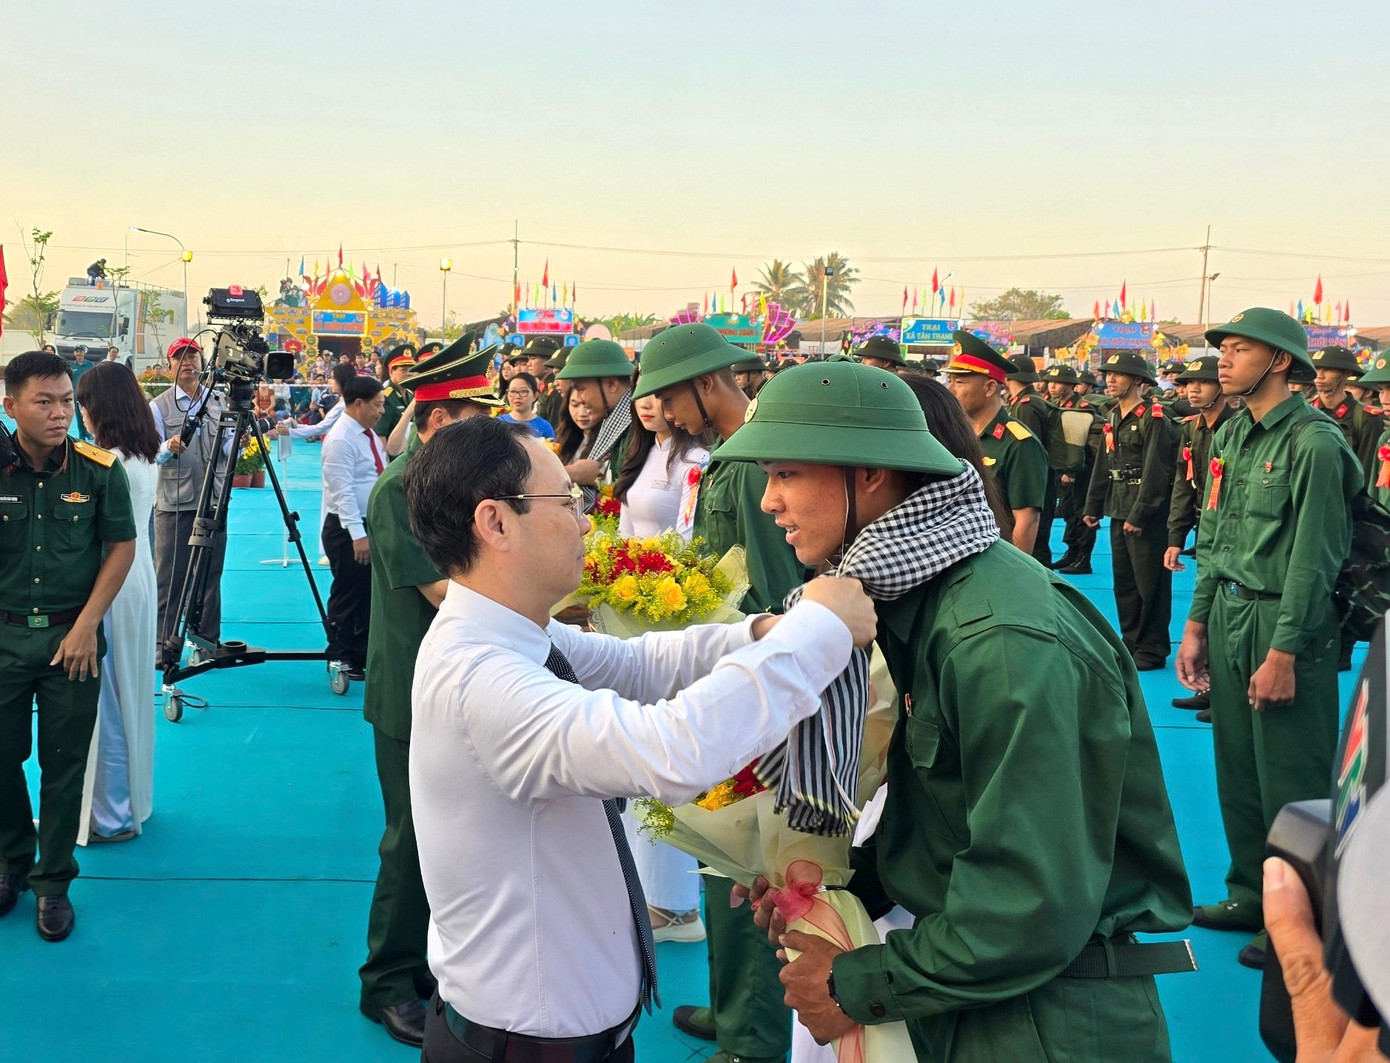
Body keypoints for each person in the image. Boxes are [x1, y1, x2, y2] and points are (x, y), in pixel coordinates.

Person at [716, 358, 1194, 1063]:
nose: (768, 502)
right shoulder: (929, 596)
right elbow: (948, 816)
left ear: (870, 474)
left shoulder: (998, 639)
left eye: (786, 473)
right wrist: (833, 887)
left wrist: (853, 980)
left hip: (1042, 1018)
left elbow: (1026, 904)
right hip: (979, 992)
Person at [403, 416, 875, 1063]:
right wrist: (820, 628)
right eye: (567, 501)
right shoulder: (483, 681)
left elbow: (642, 664)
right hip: (524, 1046)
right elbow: (672, 750)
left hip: (555, 1033)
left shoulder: (508, 634)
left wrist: (764, 630)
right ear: (496, 522)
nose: (584, 521)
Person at [633, 322, 810, 1063]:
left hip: (751, 690)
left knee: (746, 863)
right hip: (725, 675)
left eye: (671, 400)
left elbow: (772, 593)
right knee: (719, 856)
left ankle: (754, 1036)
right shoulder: (732, 456)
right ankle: (735, 1003)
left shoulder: (749, 462)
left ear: (708, 384)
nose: (668, 418)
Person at [1177, 308, 1362, 971]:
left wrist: (1283, 652)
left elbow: (1317, 558)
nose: (1223, 360)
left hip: (1286, 622)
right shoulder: (1232, 436)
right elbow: (1216, 533)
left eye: (1239, 348)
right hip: (1229, 612)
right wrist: (1196, 622)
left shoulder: (1314, 443)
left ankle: (1301, 916)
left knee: (1289, 773)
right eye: (1222, 348)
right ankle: (1251, 892)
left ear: (1280, 361)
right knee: (1238, 769)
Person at [359, 346, 504, 1048]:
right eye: (476, 418)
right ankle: (385, 979)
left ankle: (423, 966)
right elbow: (443, 591)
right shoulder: (397, 491)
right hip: (410, 691)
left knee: (452, 841)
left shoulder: (450, 482)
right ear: (437, 418)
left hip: (458, 689)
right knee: (409, 842)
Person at [0, 351, 137, 942]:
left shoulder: (98, 469)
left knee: (63, 766)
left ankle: (52, 884)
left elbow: (121, 547)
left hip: (71, 641)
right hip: (3, 637)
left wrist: (87, 624)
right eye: (44, 402)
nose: (60, 414)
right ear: (11, 407)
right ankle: (11, 863)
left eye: (65, 400)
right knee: (2, 761)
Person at [74, 362, 160, 845]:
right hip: (137, 578)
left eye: (79, 403)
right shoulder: (141, 455)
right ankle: (131, 801)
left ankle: (110, 813)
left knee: (106, 698)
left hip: (111, 582)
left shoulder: (103, 463)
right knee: (128, 692)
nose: (77, 413)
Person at [1082, 350, 1179, 670]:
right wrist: (1093, 505)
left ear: (1139, 381)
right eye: (1108, 373)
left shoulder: (1153, 419)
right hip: (1118, 506)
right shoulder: (1112, 416)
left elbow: (1156, 472)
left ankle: (1152, 648)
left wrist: (1140, 515)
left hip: (1145, 514)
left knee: (1150, 582)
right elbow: (1103, 465)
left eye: (1118, 374)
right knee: (1124, 581)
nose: (1110, 379)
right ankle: (1131, 642)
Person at [1162, 355, 1234, 718]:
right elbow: (1183, 484)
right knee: (1204, 611)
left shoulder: (1235, 428)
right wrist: (1176, 536)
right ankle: (1209, 686)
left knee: (1225, 615)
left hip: (1231, 534)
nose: (1192, 389)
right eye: (1187, 383)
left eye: (1202, 382)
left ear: (1221, 387)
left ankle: (1226, 694)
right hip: (1204, 530)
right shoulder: (1192, 429)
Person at [149, 337, 231, 656]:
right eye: (179, 357)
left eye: (192, 356)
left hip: (212, 501)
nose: (187, 362)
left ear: (202, 362)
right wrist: (167, 448)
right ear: (170, 365)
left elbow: (225, 448)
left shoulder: (218, 401)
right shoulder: (158, 405)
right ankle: (163, 645)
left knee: (211, 575)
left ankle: (206, 641)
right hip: (174, 503)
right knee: (171, 577)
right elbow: (149, 453)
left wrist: (242, 440)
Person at [943, 332, 1049, 554]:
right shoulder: (958, 436)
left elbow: (1027, 520)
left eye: (960, 382)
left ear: (990, 387)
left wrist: (1014, 573)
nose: (951, 390)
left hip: (999, 559)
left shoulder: (1019, 443)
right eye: (950, 381)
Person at [321, 375, 387, 680]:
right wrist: (358, 536)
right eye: (378, 404)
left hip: (368, 524)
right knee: (348, 594)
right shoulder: (340, 439)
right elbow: (342, 491)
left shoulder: (367, 434)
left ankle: (360, 654)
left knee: (367, 594)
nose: (382, 410)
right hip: (348, 529)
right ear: (358, 404)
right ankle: (339, 654)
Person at [556, 340, 635, 508]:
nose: (579, 398)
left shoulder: (638, 426)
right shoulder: (616, 422)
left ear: (611, 384)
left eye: (581, 388)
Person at [1041, 363, 1103, 575]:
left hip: (1081, 471)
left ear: (1069, 386)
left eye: (1058, 383)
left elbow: (1084, 443)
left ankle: (1084, 558)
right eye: (1050, 382)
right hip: (1063, 470)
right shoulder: (1055, 405)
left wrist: (1073, 471)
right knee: (1069, 512)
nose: (1052, 386)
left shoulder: (1081, 407)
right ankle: (1072, 551)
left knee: (1082, 513)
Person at [1004, 352, 1058, 565]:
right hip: (1040, 479)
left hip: (1036, 481)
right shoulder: (1027, 401)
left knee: (1037, 546)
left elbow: (1029, 449)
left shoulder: (1026, 406)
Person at [1309, 345, 1381, 486]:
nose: (1319, 375)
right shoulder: (1304, 410)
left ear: (1346, 374)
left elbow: (1366, 471)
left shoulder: (1366, 418)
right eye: (1316, 369)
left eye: (1328, 369)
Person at [376, 344, 416, 452]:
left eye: (411, 370)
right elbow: (381, 434)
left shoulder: (410, 395)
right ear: (391, 372)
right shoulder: (386, 397)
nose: (408, 374)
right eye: (403, 370)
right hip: (393, 456)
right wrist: (385, 462)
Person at [498, 372, 556, 440]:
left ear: (535, 396)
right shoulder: (498, 423)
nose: (517, 396)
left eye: (523, 391)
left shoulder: (544, 427)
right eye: (512, 391)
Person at [69, 346, 95, 441]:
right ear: (74, 353)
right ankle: (81, 435)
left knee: (88, 413)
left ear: (84, 353)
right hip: (75, 394)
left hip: (88, 394)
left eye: (81, 352)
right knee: (79, 415)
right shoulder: (70, 365)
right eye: (77, 352)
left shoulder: (90, 365)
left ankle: (88, 433)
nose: (79, 353)